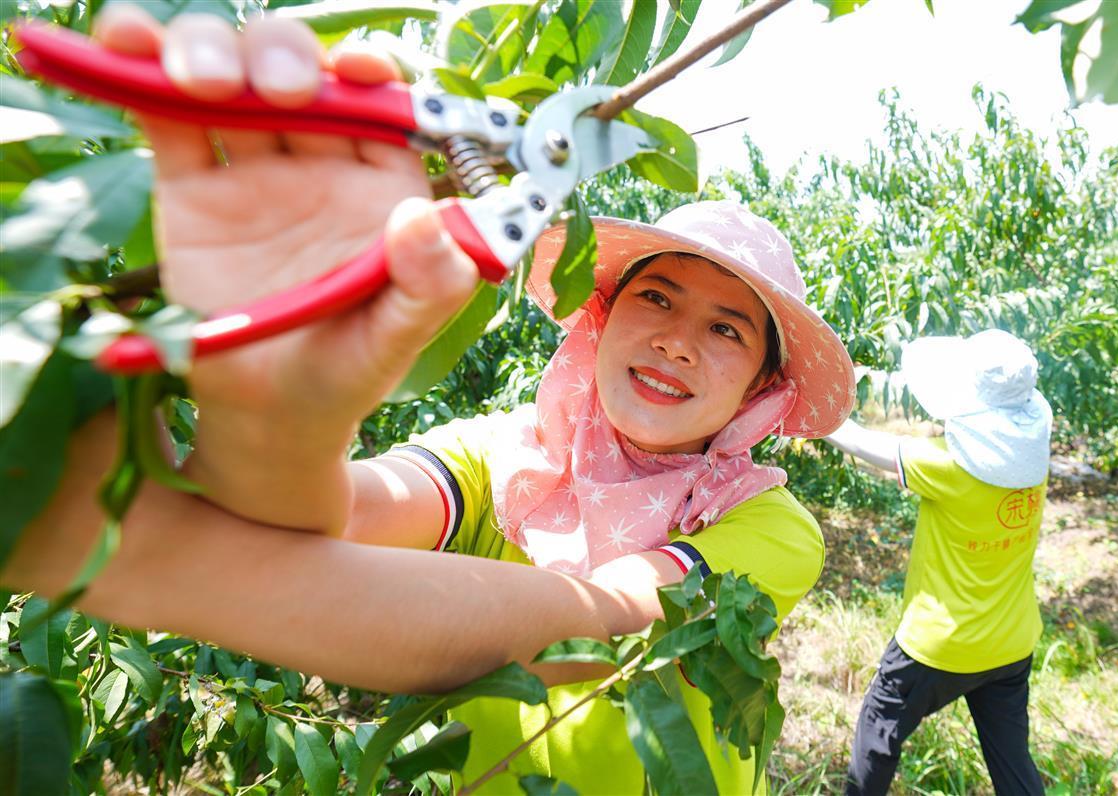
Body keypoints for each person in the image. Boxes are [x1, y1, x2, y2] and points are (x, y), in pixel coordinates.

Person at [3, 6, 857, 791]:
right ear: (598, 320)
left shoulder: (769, 531)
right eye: (657, 297)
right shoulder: (509, 456)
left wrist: (139, 559)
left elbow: (593, 624)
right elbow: (337, 519)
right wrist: (281, 420)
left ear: (763, 391)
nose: (676, 339)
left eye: (728, 331)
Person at [823, 330, 1051, 796]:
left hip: (939, 644)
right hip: (1011, 641)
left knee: (877, 730)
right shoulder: (1034, 464)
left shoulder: (947, 467)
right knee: (1011, 762)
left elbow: (856, 441)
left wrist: (804, 405)